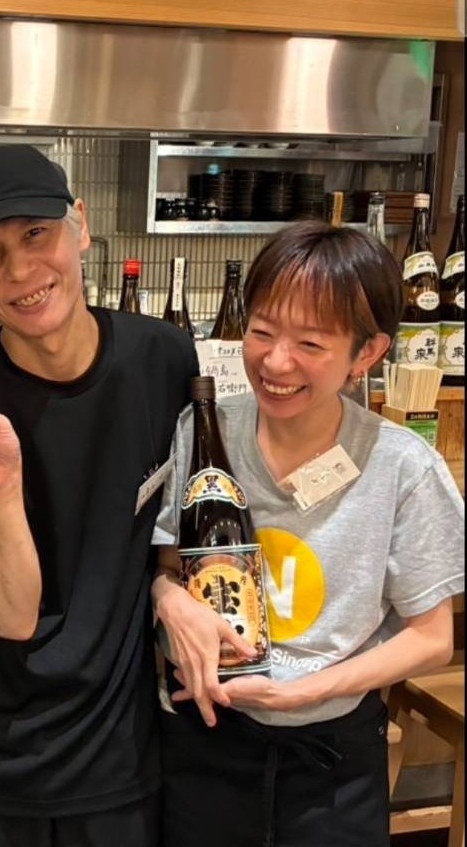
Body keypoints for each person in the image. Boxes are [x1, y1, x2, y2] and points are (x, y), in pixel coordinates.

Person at [0, 144, 199, 847]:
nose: (22, 271)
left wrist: (169, 588)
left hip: (120, 755)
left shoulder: (163, 360)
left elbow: (188, 517)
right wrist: (2, 490)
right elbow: (10, 616)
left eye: (36, 232)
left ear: (79, 224)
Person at [152, 221, 465, 847]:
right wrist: (167, 601)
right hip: (204, 735)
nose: (275, 362)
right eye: (262, 331)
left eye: (311, 344)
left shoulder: (402, 465)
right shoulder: (203, 428)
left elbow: (432, 639)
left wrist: (306, 692)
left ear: (367, 354)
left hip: (332, 758)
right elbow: (167, 567)